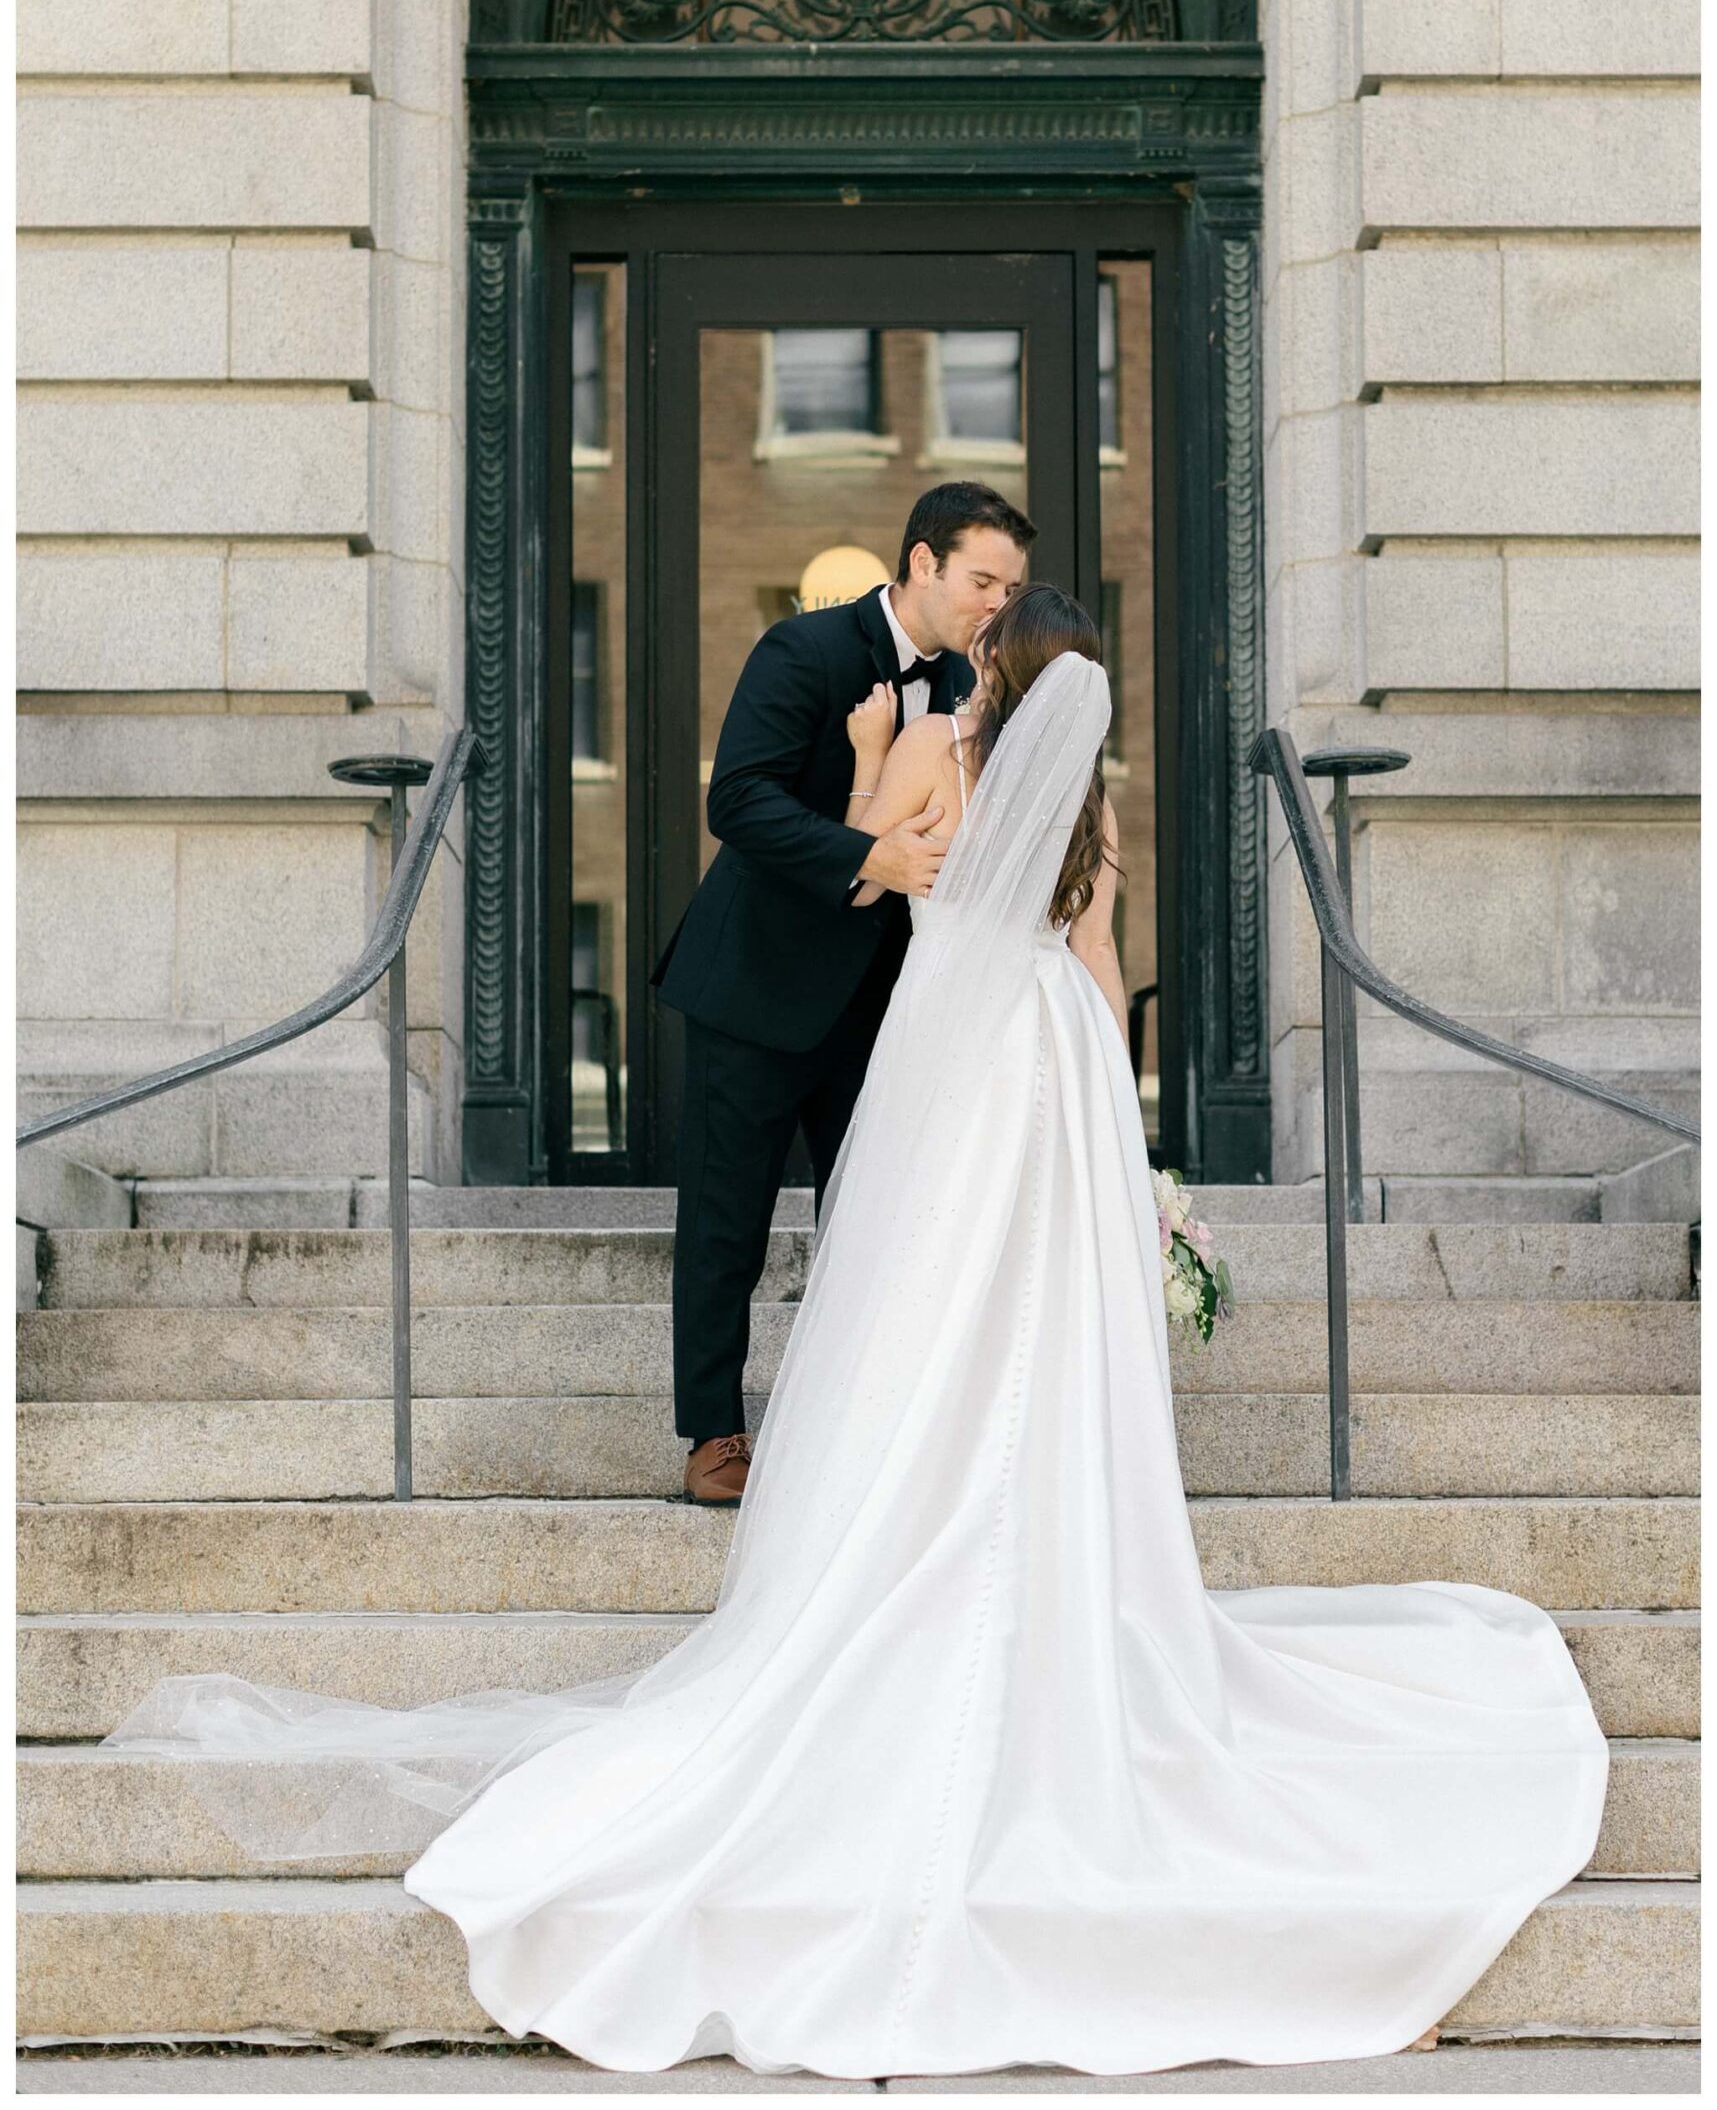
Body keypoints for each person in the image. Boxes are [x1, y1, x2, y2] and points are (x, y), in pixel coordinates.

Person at [106, 585, 1609, 2080]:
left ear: (995, 672)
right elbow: (1091, 965)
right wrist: (1136, 1156)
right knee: (1034, 1330)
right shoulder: (1090, 814)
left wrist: (884, 768)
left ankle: (909, 1519)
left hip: (957, 1063)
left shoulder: (933, 759)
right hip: (1061, 1074)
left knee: (935, 1315)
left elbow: (873, 881)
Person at [651, 480, 1034, 1502]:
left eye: (1012, 585)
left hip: (882, 1003)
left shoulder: (973, 685)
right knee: (725, 1220)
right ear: (921, 562)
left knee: (874, 1217)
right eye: (981, 578)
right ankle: (713, 1435)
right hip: (756, 984)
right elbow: (736, 800)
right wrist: (869, 853)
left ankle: (858, 1428)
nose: (996, 600)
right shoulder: (804, 650)